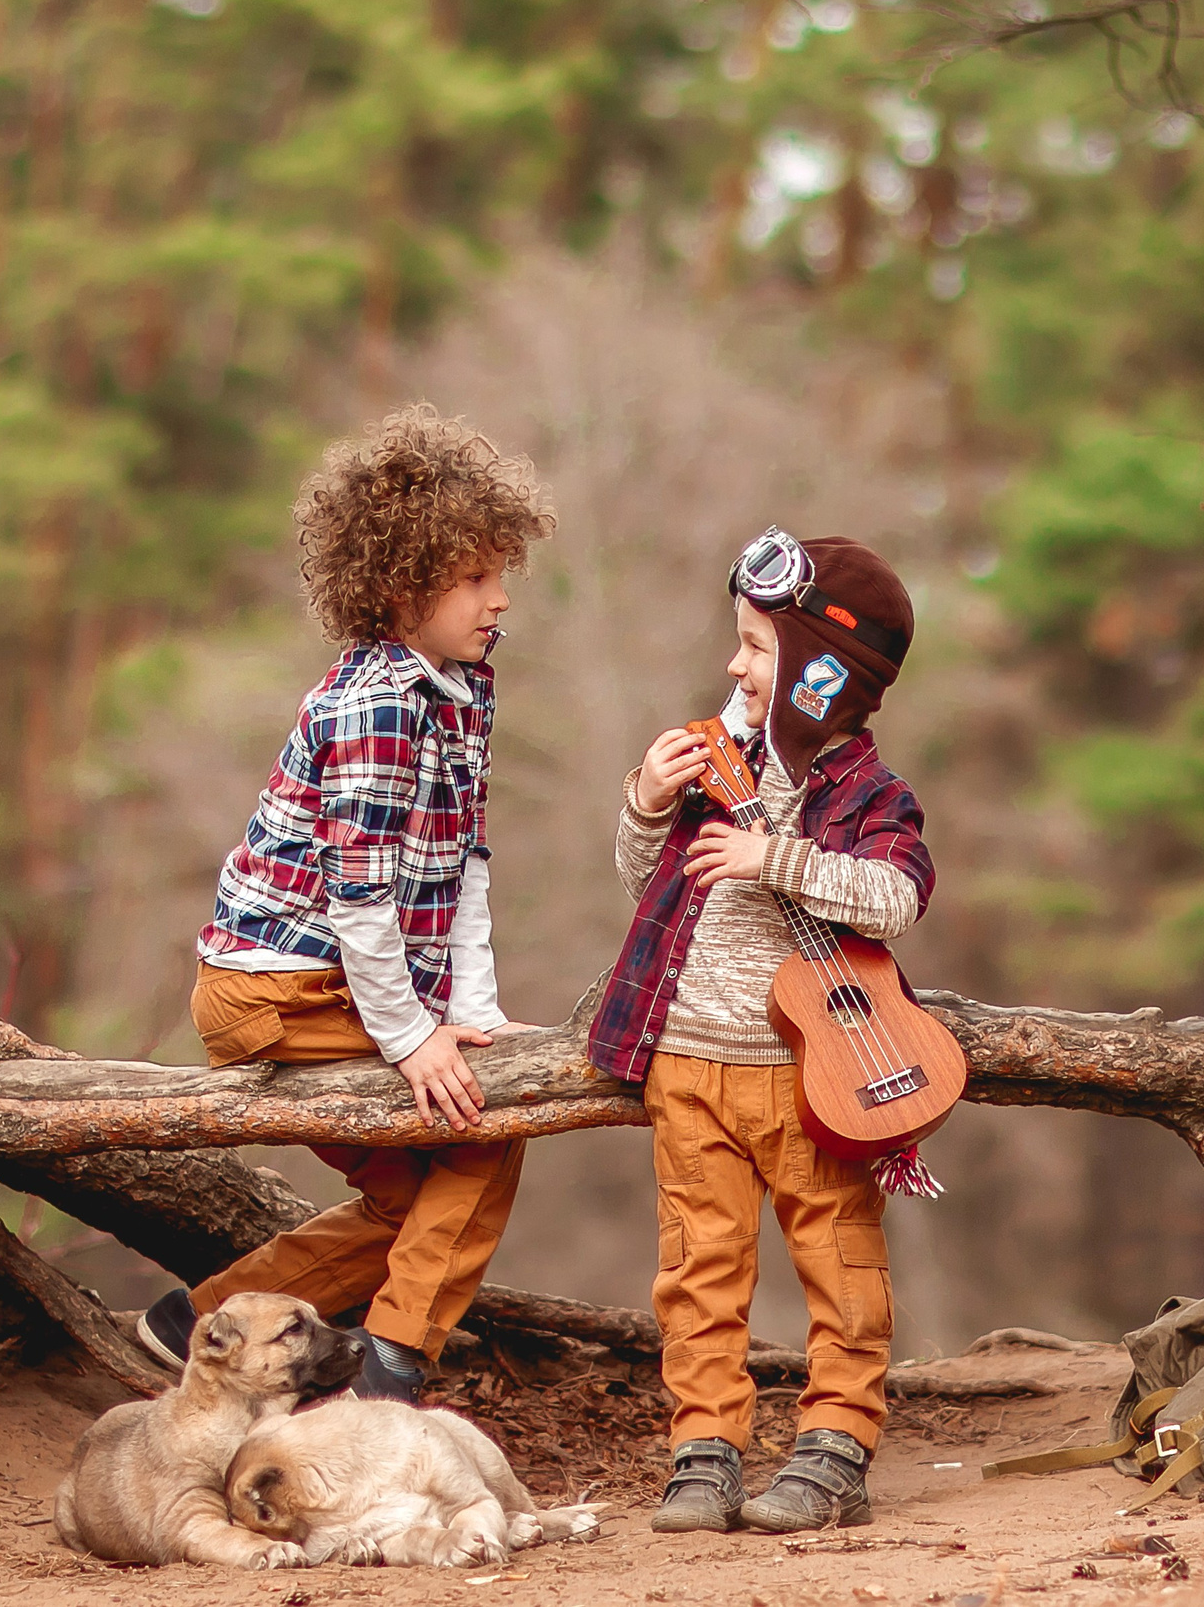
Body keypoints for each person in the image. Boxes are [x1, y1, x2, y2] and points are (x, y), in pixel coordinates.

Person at [134, 404, 555, 1404]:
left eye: (504, 574)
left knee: (421, 1193)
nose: (500, 598)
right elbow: (360, 893)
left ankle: (199, 1325)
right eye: (475, 577)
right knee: (479, 1136)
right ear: (403, 583)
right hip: (275, 984)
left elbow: (462, 865)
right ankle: (392, 1372)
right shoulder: (376, 703)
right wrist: (413, 1041)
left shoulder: (458, 685)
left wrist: (472, 1014)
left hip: (337, 978)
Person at [591, 529, 935, 1533]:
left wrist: (772, 856)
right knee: (696, 1264)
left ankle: (834, 1445)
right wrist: (645, 805)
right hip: (688, 1062)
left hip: (814, 1072)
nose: (735, 664)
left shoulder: (864, 790)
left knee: (839, 1258)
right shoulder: (712, 760)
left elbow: (893, 897)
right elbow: (645, 888)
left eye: (754, 645)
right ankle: (705, 1447)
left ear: (820, 677)